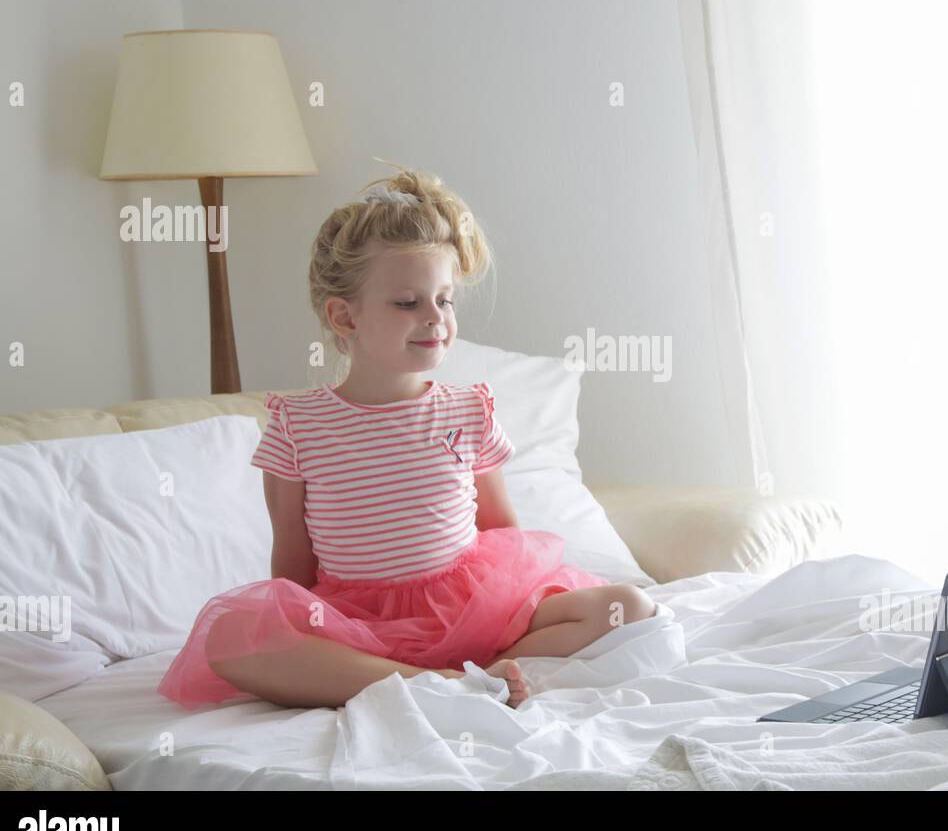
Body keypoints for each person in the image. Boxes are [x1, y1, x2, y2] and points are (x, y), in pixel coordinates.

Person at [158, 164, 657, 711]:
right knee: (232, 638)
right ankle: (433, 683)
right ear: (343, 315)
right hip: (360, 628)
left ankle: (480, 673)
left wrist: (515, 610)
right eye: (408, 302)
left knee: (626, 605)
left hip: (472, 611)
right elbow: (293, 570)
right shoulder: (298, 426)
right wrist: (308, 634)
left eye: (444, 300)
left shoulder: (469, 409)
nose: (435, 318)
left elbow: (503, 536)